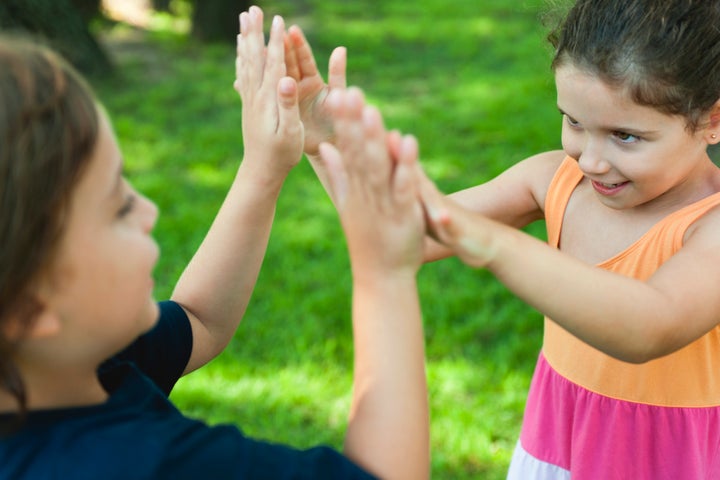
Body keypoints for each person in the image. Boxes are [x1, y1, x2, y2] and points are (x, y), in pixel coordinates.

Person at [283, 0, 720, 478]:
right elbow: (401, 235)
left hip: (671, 463)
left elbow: (649, 325)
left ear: (712, 121)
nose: (590, 159)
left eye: (625, 136)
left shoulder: (710, 226)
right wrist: (329, 148)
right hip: (557, 447)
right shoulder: (555, 179)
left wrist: (491, 243)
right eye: (574, 122)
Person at [0, 5, 430, 479]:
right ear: (30, 308)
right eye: (119, 207)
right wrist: (383, 274)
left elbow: (199, 320)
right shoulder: (145, 465)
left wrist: (264, 167)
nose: (149, 211)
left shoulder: (58, 367)